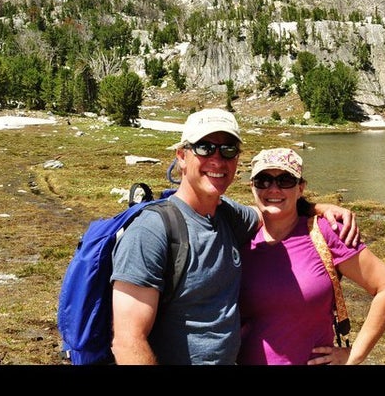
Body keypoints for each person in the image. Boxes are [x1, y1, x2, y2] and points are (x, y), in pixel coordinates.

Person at [109, 109, 359, 365]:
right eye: (205, 148)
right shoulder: (152, 231)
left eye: (228, 149)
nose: (218, 159)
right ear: (182, 156)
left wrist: (316, 208)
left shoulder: (229, 216)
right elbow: (128, 342)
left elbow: (268, 212)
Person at [237, 147, 385, 365]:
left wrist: (354, 355)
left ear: (301, 187)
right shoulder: (238, 234)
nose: (274, 189)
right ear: (252, 187)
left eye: (285, 180)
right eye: (263, 180)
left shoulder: (326, 231)